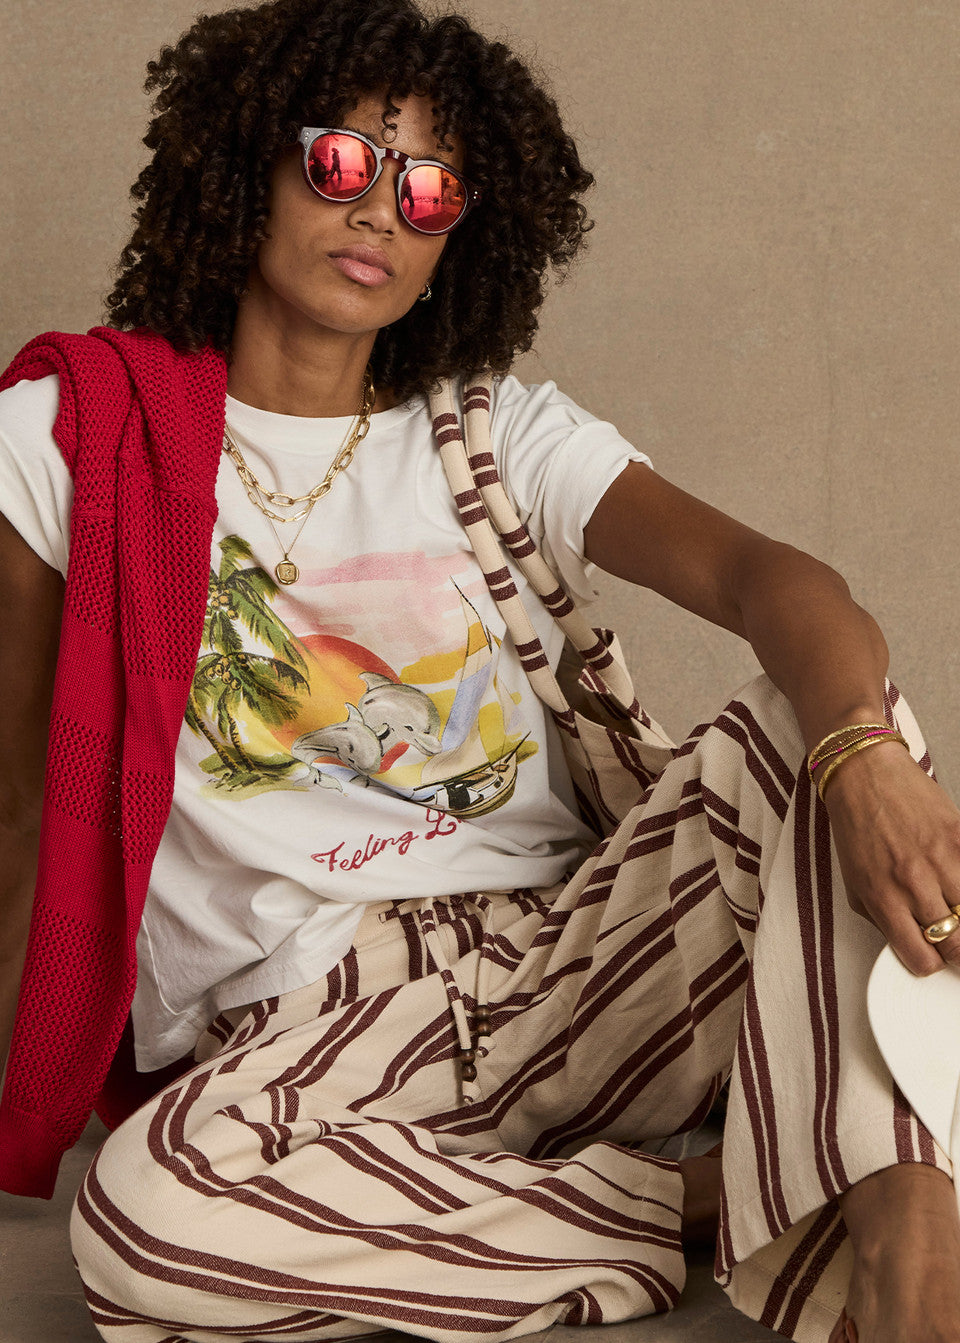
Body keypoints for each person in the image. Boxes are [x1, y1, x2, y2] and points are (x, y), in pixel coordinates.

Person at [0, 2, 959, 1342]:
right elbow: (19, 804)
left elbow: (772, 583)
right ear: (246, 163)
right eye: (343, 161)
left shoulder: (495, 435)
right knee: (146, 1225)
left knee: (823, 732)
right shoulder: (69, 439)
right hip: (309, 1037)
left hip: (578, 968)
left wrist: (858, 743)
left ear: (460, 236)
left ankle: (920, 1263)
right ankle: (713, 1198)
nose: (379, 212)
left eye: (430, 190)